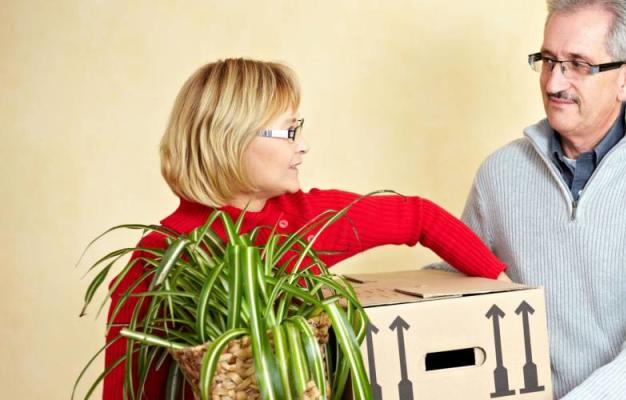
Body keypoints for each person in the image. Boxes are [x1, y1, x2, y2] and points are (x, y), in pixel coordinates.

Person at [103, 58, 508, 399]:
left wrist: (504, 289)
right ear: (231, 138)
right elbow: (129, 389)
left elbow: (419, 216)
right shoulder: (162, 256)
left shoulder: (304, 218)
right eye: (289, 131)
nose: (303, 145)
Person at [444, 1, 626, 398]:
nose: (554, 83)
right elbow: (457, 283)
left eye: (578, 64)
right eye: (549, 60)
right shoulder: (499, 173)